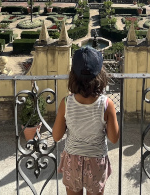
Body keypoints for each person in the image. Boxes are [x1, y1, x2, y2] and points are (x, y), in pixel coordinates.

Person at [52, 46, 120, 195]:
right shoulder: (107, 104)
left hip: (72, 161)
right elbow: (114, 138)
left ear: (73, 75)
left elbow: (56, 136)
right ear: (100, 74)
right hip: (96, 161)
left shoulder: (66, 103)